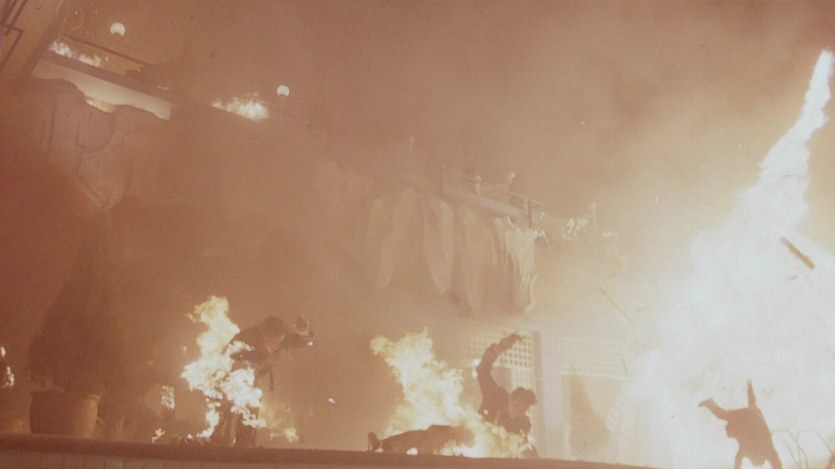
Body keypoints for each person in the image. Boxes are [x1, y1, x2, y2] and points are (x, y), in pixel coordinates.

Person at [210, 314, 313, 447]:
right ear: (264, 336)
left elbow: (303, 341)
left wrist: (303, 331)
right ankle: (220, 438)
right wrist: (251, 357)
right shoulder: (246, 337)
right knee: (232, 407)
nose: (276, 346)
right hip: (237, 375)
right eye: (273, 341)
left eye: (279, 342)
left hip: (260, 376)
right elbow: (227, 353)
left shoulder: (283, 339)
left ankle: (244, 444)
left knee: (252, 408)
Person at [699, 380, 782, 469]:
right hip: (748, 420)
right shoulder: (762, 449)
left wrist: (750, 387)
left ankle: (710, 403)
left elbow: (776, 463)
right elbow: (776, 463)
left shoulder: (762, 450)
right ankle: (710, 403)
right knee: (724, 414)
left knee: (731, 412)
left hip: (750, 417)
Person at [477, 333, 537, 439]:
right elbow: (482, 370)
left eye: (523, 410)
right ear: (510, 398)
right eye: (517, 405)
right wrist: (499, 348)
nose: (518, 412)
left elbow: (522, 444)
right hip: (475, 434)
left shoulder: (523, 423)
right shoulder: (494, 395)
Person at [367, 424, 473, 454]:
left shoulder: (457, 447)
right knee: (418, 436)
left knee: (418, 437)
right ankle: (383, 445)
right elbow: (432, 429)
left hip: (431, 459)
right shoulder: (446, 432)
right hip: (426, 450)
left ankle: (385, 446)